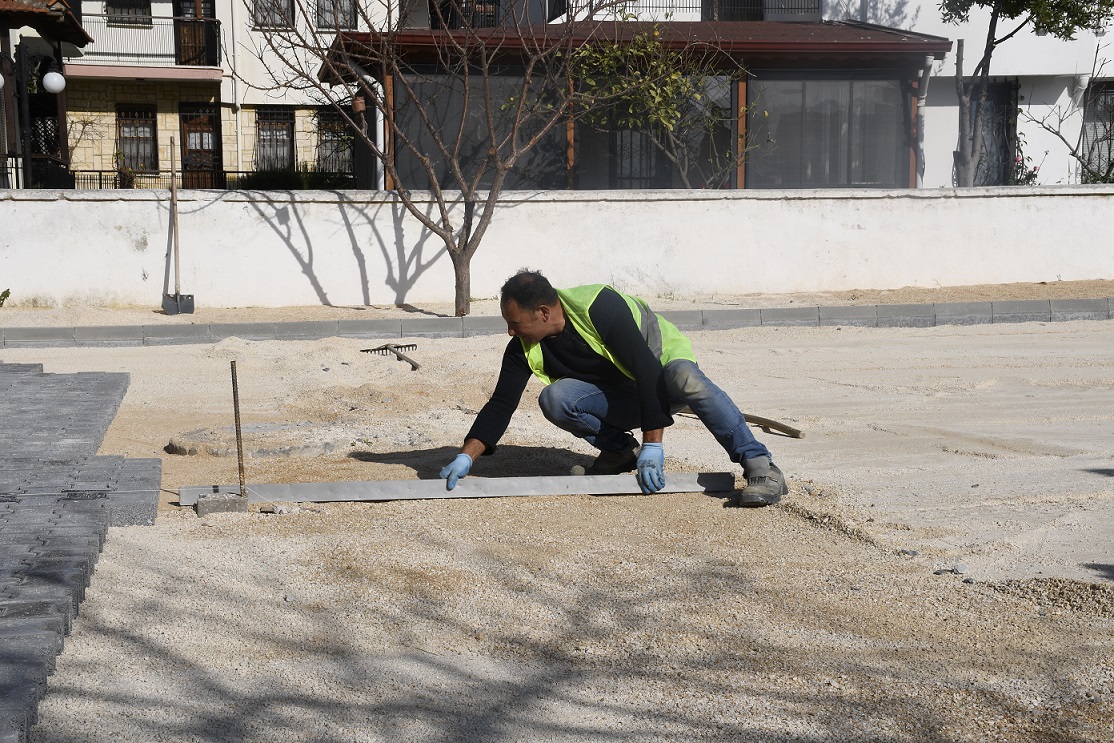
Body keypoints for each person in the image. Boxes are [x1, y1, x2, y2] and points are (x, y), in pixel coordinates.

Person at [438, 270, 787, 506]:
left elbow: (646, 369)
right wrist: (466, 456)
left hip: (661, 378)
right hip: (624, 396)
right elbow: (501, 403)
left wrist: (655, 446)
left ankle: (760, 465)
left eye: (515, 323)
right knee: (555, 398)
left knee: (685, 377)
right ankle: (620, 453)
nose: (510, 332)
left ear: (543, 312)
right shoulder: (524, 347)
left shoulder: (599, 307)